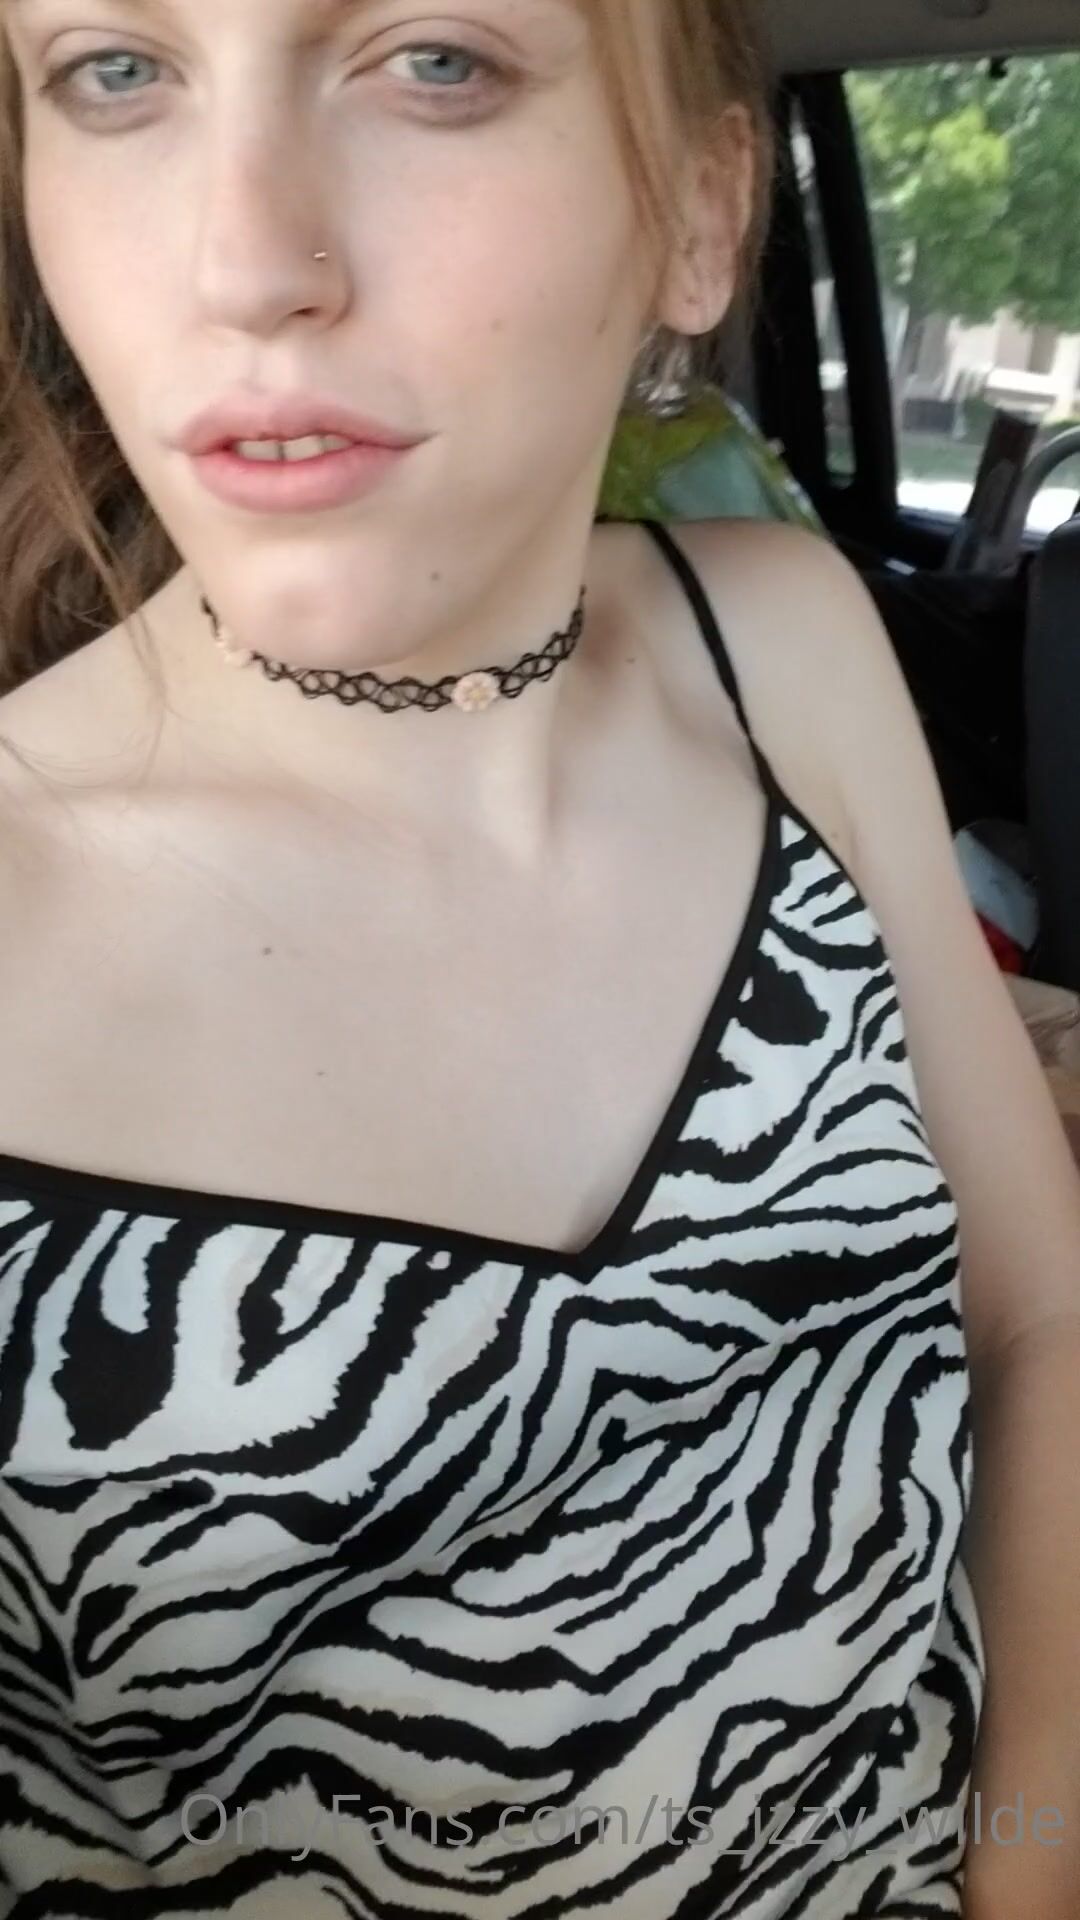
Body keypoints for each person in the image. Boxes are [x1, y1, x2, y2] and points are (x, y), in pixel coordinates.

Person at [0, 2, 1078, 1916]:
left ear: (699, 216)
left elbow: (1037, 1321)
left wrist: (1032, 1865)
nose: (244, 263)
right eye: (116, 70)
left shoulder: (783, 650)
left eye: (434, 60)